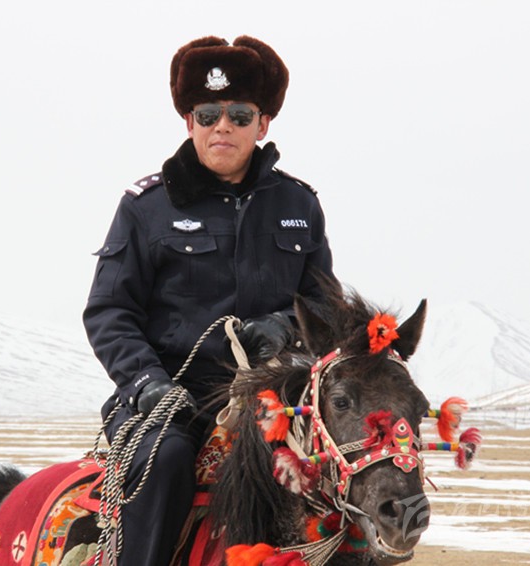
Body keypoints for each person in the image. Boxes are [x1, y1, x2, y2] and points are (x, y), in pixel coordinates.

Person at [83, 35, 336, 565]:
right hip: (171, 396)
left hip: (274, 396)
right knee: (166, 458)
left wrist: (283, 327)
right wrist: (146, 383)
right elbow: (110, 311)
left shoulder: (300, 205)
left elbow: (325, 306)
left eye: (239, 115)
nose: (223, 126)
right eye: (208, 114)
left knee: (351, 468)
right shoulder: (146, 208)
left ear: (262, 124)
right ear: (189, 122)